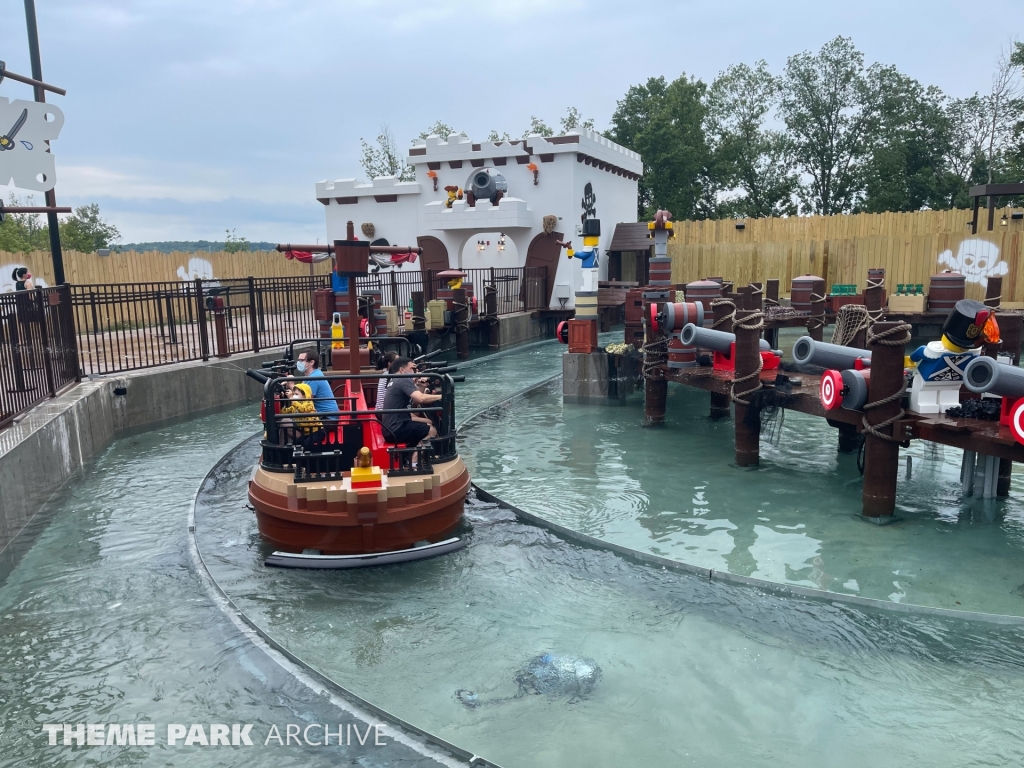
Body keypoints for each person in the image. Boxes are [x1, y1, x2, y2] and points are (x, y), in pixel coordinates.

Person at [381, 357, 441, 445]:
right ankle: (415, 454)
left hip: (391, 427)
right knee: (432, 431)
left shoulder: (395, 380)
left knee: (428, 424)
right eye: (411, 369)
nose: (413, 371)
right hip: (396, 428)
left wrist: (421, 386)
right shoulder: (402, 379)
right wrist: (441, 396)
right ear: (402, 370)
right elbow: (421, 398)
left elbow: (413, 403)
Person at [295, 349, 339, 417]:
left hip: (326, 417)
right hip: (323, 414)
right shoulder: (312, 375)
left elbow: (304, 402)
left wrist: (291, 385)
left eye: (302, 360)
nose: (299, 363)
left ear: (311, 362)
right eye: (298, 360)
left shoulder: (313, 378)